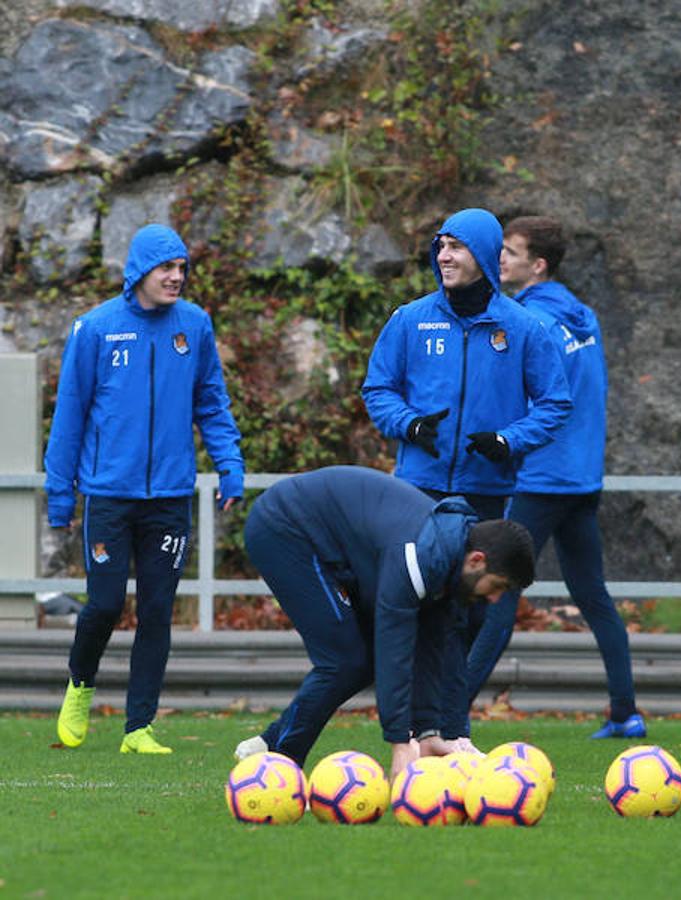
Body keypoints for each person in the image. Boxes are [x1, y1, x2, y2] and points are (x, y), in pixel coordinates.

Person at [362, 207, 570, 751]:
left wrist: (508, 440)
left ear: (482, 253)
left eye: (456, 246)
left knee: (466, 618)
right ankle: (415, 732)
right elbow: (377, 389)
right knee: (419, 612)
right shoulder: (410, 319)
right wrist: (409, 424)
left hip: (485, 492)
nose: (445, 256)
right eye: (441, 246)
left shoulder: (522, 327)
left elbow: (555, 402)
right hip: (418, 491)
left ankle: (452, 731)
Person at [46, 223, 245, 755]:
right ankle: (80, 685)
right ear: (139, 271)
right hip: (109, 495)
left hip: (170, 498)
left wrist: (230, 465)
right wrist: (60, 494)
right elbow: (69, 416)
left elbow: (212, 403)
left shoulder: (194, 325)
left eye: (182, 268)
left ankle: (138, 728)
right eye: (166, 268)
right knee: (105, 604)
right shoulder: (95, 329)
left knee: (157, 610)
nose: (177, 277)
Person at [463, 215, 643, 739]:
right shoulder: (583, 316)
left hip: (540, 477)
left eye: (511, 252)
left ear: (538, 265)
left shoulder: (527, 321)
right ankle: (625, 712)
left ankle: (451, 709)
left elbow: (517, 399)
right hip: (582, 478)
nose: (500, 259)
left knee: (497, 591)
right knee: (593, 596)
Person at [231, 466, 536, 771]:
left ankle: (271, 744)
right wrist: (400, 742)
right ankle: (281, 764)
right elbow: (394, 649)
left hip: (330, 542)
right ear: (477, 560)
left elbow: (431, 650)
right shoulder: (417, 558)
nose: (495, 599)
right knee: (344, 660)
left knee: (359, 661)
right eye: (498, 586)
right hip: (284, 526)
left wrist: (428, 732)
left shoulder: (447, 559)